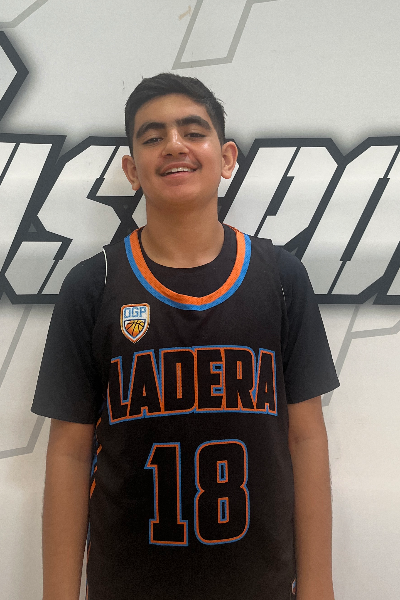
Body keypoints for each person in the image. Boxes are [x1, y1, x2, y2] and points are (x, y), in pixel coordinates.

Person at [32, 73, 339, 600]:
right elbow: (68, 453)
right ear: (132, 170)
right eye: (153, 137)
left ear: (226, 158)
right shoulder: (92, 285)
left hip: (259, 586)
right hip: (128, 586)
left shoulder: (281, 278)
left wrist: (318, 588)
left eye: (193, 132)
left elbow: (306, 438)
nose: (174, 145)